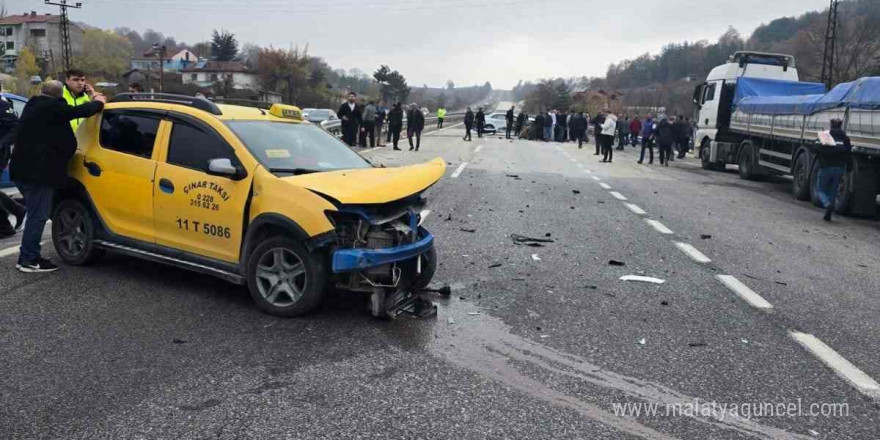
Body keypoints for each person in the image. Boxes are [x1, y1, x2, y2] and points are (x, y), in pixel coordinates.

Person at [9, 80, 106, 272]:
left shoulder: (33, 105)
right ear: (59, 95)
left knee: (35, 215)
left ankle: (28, 255)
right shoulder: (54, 108)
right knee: (38, 216)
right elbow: (81, 111)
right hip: (39, 174)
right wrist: (98, 100)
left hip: (22, 171)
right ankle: (28, 259)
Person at [816, 119, 852, 221]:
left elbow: (815, 147)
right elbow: (849, 154)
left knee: (821, 189)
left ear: (831, 125)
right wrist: (849, 168)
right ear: (841, 126)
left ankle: (827, 204)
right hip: (839, 168)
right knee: (833, 190)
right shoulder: (845, 138)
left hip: (825, 167)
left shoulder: (825, 135)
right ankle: (829, 212)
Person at [0, 97, 25, 238]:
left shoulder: (3, 106)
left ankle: (5, 226)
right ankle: (17, 210)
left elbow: (16, 128)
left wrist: (2, 143)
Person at [63, 68, 96, 133]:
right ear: (67, 80)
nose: (80, 83)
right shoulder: (59, 95)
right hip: (64, 139)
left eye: (82, 80)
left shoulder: (88, 96)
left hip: (85, 139)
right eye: (76, 80)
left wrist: (93, 96)